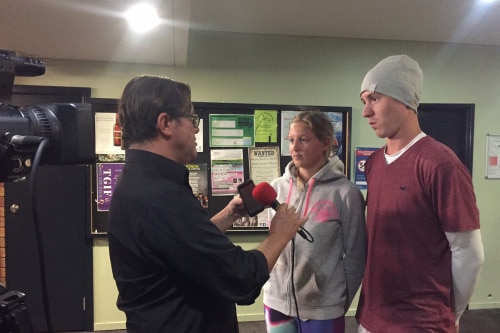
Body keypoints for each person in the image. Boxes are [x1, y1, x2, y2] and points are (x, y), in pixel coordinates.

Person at [107, 75, 308, 333]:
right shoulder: (161, 197)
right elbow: (240, 278)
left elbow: (180, 249)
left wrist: (227, 215)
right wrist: (279, 235)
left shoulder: (139, 181)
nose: (197, 129)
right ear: (166, 123)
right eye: (192, 119)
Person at [356, 55, 485, 333]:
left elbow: (469, 254)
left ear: (404, 99)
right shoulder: (375, 163)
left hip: (420, 322)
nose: (366, 111)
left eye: (375, 98)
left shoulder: (440, 164)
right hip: (372, 315)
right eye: (363, 101)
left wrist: (454, 314)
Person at [263, 111, 367, 333]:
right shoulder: (277, 187)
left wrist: (338, 300)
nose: (295, 147)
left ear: (325, 143)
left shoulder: (345, 193)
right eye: (291, 140)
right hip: (276, 301)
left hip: (324, 307)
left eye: (304, 139)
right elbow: (272, 241)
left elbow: (356, 255)